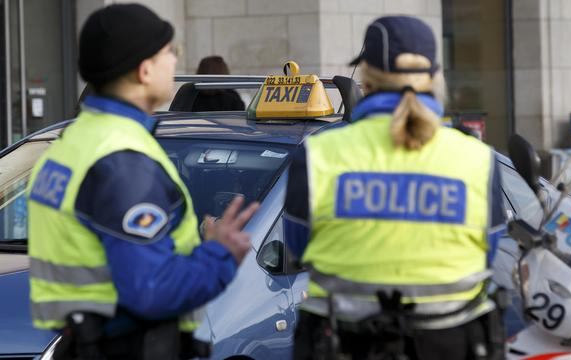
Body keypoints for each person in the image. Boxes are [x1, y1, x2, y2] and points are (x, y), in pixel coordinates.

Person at [26, 4, 258, 359]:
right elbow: (151, 290)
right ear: (144, 70)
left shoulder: (70, 145)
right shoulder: (122, 161)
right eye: (170, 51)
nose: (175, 61)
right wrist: (219, 255)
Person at [284, 16, 506, 360]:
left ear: (366, 78)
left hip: (343, 343)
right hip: (451, 344)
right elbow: (489, 251)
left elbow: (297, 248)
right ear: (433, 77)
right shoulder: (477, 158)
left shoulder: (318, 154)